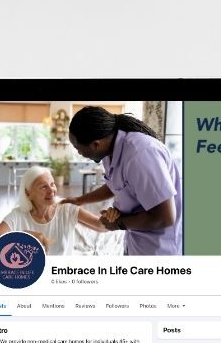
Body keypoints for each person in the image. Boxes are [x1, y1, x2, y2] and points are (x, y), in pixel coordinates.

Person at [62, 107, 182, 255]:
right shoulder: (109, 153)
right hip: (135, 241)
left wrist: (118, 224)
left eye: (78, 148)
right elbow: (115, 185)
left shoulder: (140, 155)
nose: (79, 153)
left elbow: (165, 217)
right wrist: (79, 200)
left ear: (96, 144)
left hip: (159, 249)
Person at [0, 167, 109, 255]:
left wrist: (112, 216)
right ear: (28, 193)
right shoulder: (17, 216)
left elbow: (101, 226)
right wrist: (22, 238)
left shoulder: (66, 208)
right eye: (43, 187)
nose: (51, 190)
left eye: (52, 184)